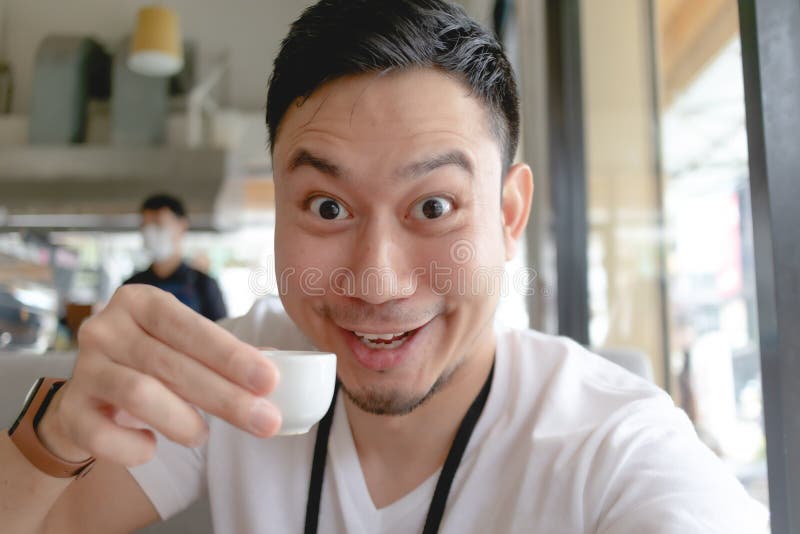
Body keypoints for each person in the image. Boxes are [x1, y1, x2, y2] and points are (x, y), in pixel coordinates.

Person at [1, 1, 768, 533]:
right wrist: (58, 432)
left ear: (508, 215)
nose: (376, 281)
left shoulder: (609, 445)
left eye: (433, 207)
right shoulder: (238, 379)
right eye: (327, 208)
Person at [123, 193, 227, 321]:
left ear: (182, 225)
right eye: (145, 225)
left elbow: (222, 332)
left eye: (158, 223)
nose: (150, 232)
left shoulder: (203, 284)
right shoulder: (131, 286)